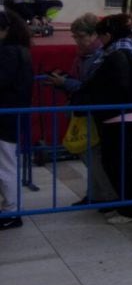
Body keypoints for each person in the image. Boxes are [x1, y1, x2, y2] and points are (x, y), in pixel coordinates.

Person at [78, 15, 132, 224]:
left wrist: (91, 93)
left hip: (119, 116)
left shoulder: (118, 54)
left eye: (100, 36)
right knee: (118, 162)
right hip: (124, 114)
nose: (99, 41)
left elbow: (117, 86)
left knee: (118, 163)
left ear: (108, 35)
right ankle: (127, 205)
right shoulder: (126, 50)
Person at [44, 12, 117, 205]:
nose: (77, 41)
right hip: (81, 109)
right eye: (75, 37)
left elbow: (90, 86)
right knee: (89, 155)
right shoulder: (82, 56)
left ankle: (108, 196)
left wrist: (65, 82)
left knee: (95, 157)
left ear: (94, 35)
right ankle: (95, 194)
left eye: (81, 36)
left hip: (93, 111)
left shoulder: (101, 56)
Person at [0, 10, 33, 230]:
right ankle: (10, 209)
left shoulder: (9, 52)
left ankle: (12, 211)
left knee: (5, 165)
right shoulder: (20, 50)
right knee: (6, 163)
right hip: (11, 114)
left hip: (5, 115)